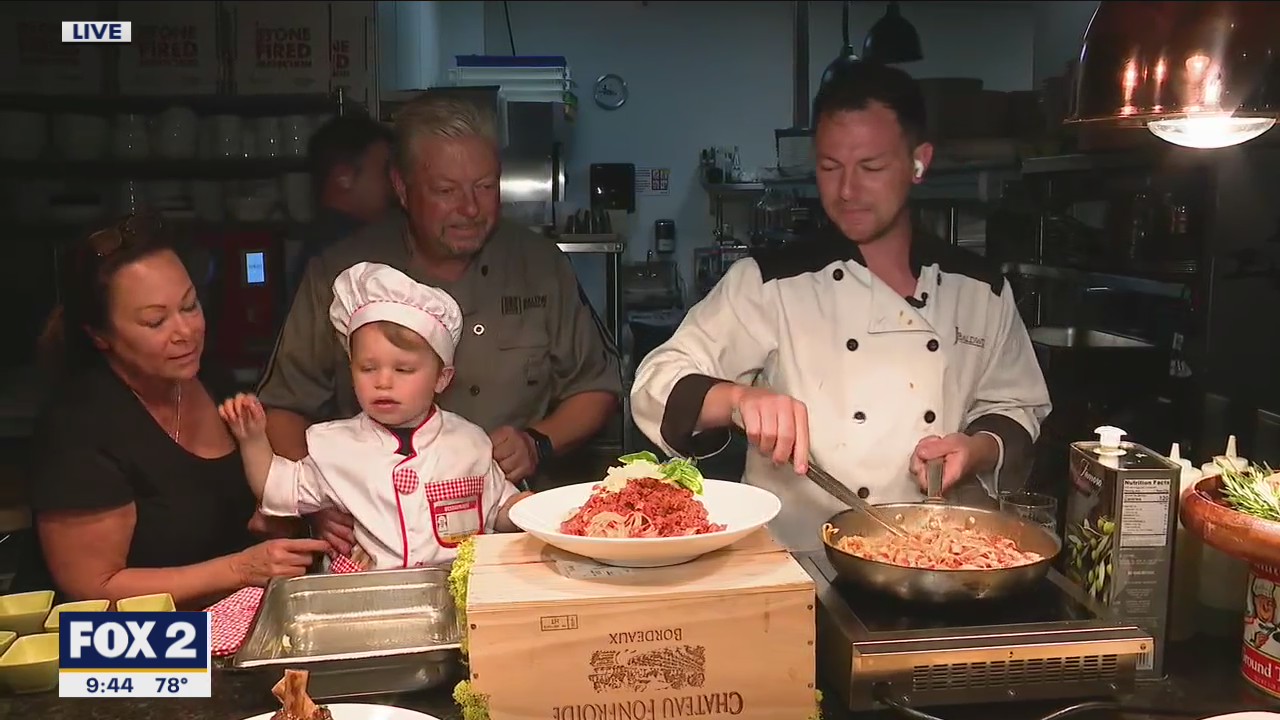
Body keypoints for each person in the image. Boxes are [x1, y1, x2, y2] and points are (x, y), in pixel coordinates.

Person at [629, 61, 1052, 551]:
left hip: (944, 560)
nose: (846, 191)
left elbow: (1017, 407)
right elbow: (654, 382)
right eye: (830, 168)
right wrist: (738, 400)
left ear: (919, 162)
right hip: (798, 565)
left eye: (871, 167)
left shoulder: (980, 289)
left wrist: (976, 449)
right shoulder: (771, 283)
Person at [256, 93, 622, 553]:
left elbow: (598, 387)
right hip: (378, 545)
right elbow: (283, 406)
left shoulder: (540, 266)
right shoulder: (340, 271)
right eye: (447, 191)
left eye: (486, 186)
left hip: (512, 534)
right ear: (403, 188)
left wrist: (538, 442)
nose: (470, 208)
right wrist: (318, 500)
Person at [27, 215, 330, 608]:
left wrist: (277, 521)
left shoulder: (209, 380)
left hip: (232, 623)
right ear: (99, 335)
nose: (185, 331)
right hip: (134, 648)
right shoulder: (78, 429)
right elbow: (93, 589)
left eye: (190, 306)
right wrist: (241, 569)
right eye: (155, 321)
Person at [220, 262, 529, 571]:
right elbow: (275, 486)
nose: (383, 381)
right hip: (366, 598)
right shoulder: (335, 447)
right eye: (368, 369)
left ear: (442, 378)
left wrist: (535, 511)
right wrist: (252, 439)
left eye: (403, 369)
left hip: (456, 594)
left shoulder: (468, 443)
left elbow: (500, 507)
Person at [285, 113, 396, 297]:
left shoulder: (321, 242)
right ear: (344, 178)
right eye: (385, 171)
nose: (394, 182)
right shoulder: (348, 252)